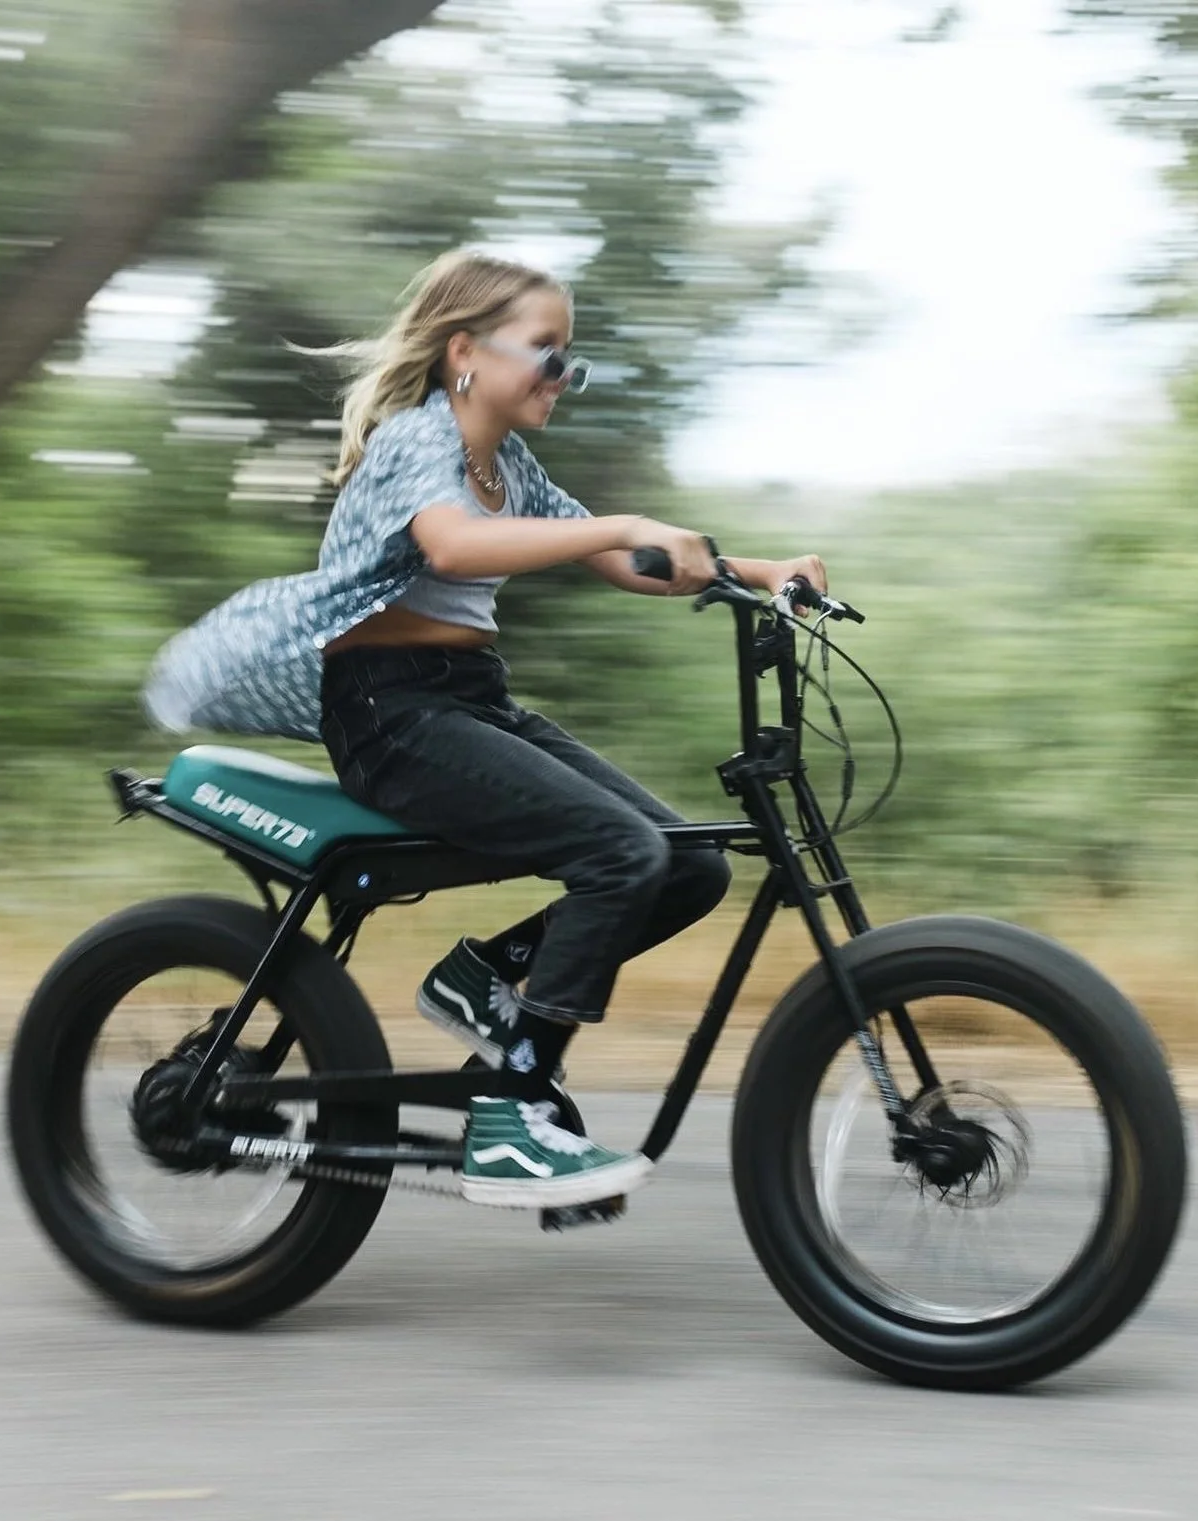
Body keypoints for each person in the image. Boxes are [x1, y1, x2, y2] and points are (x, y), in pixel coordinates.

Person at [144, 248, 827, 1210]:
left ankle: (482, 978)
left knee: (687, 863)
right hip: (390, 712)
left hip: (469, 697)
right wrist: (614, 526)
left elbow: (626, 558)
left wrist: (756, 571)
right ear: (465, 352)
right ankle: (511, 1115)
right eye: (547, 352)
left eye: (570, 359)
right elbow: (453, 544)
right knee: (620, 853)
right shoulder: (417, 440)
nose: (565, 376)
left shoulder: (506, 464)